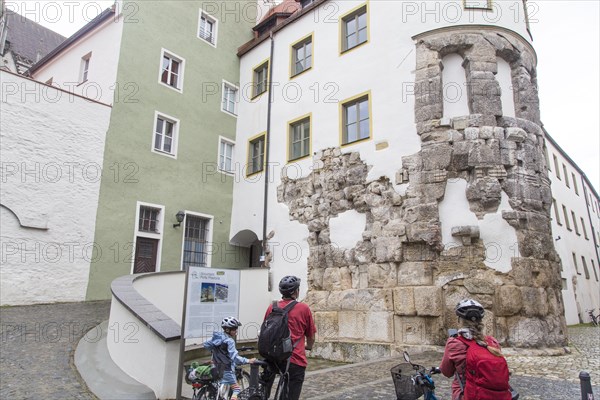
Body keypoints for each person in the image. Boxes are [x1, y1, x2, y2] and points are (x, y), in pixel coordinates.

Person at [440, 299, 510, 400]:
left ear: (460, 320)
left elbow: (447, 372)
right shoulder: (492, 342)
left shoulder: (454, 343)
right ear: (480, 321)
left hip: (467, 395)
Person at [263, 275, 316, 400]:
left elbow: (265, 330)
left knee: (265, 388)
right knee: (291, 393)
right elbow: (311, 335)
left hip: (272, 356)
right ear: (296, 291)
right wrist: (308, 346)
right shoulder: (303, 308)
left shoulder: (272, 307)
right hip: (294, 358)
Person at [203, 317, 256, 400]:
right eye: (234, 329)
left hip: (216, 367)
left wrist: (215, 351)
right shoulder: (229, 341)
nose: (236, 331)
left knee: (220, 385)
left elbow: (206, 344)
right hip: (226, 369)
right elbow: (235, 358)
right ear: (228, 330)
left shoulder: (218, 337)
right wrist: (248, 360)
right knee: (237, 389)